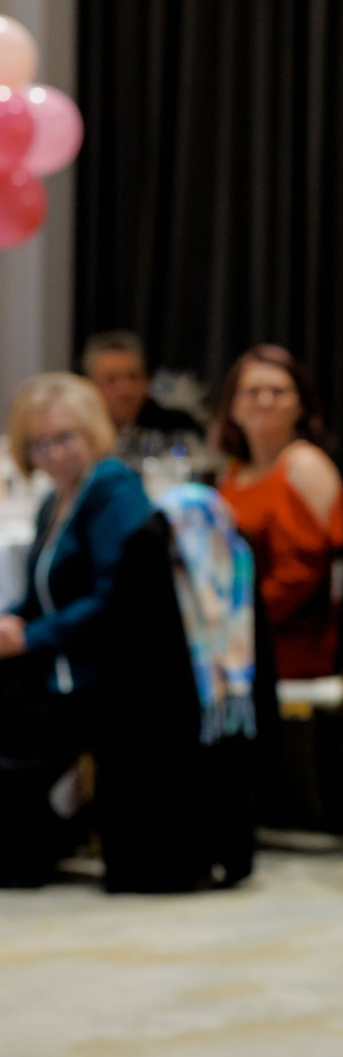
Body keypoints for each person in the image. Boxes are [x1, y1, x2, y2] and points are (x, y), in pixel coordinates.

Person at [0, 374, 152, 886]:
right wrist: (12, 621)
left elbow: (114, 599)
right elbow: (41, 592)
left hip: (101, 672)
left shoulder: (111, 488)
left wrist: (30, 637)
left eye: (65, 438)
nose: (54, 454)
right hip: (61, 662)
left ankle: (29, 841)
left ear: (91, 432)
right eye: (39, 444)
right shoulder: (55, 501)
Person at [213, 346, 343, 683]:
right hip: (240, 639)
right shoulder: (234, 474)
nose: (265, 401)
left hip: (287, 647)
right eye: (252, 391)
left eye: (278, 391)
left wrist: (233, 622)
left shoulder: (305, 465)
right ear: (233, 406)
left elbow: (300, 577)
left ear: (300, 405)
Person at [82, 331, 201, 438]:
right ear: (89, 386)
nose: (125, 389)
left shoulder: (178, 427)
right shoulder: (78, 429)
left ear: (147, 381)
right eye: (112, 380)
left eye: (133, 377)